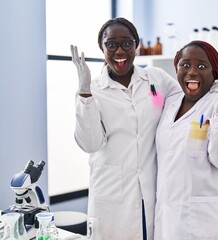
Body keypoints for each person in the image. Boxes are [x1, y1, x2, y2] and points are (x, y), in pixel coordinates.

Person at [70, 17, 181, 240]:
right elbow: (91, 144)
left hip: (150, 189)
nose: (119, 50)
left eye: (126, 43)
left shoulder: (154, 79)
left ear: (136, 46)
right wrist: (85, 94)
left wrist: (212, 89)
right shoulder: (93, 90)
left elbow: (181, 102)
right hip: (111, 195)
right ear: (102, 48)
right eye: (111, 44)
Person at [154, 40, 218, 240]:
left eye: (202, 66)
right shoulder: (170, 103)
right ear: (176, 69)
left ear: (215, 73)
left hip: (205, 223)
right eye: (185, 65)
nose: (193, 72)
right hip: (168, 215)